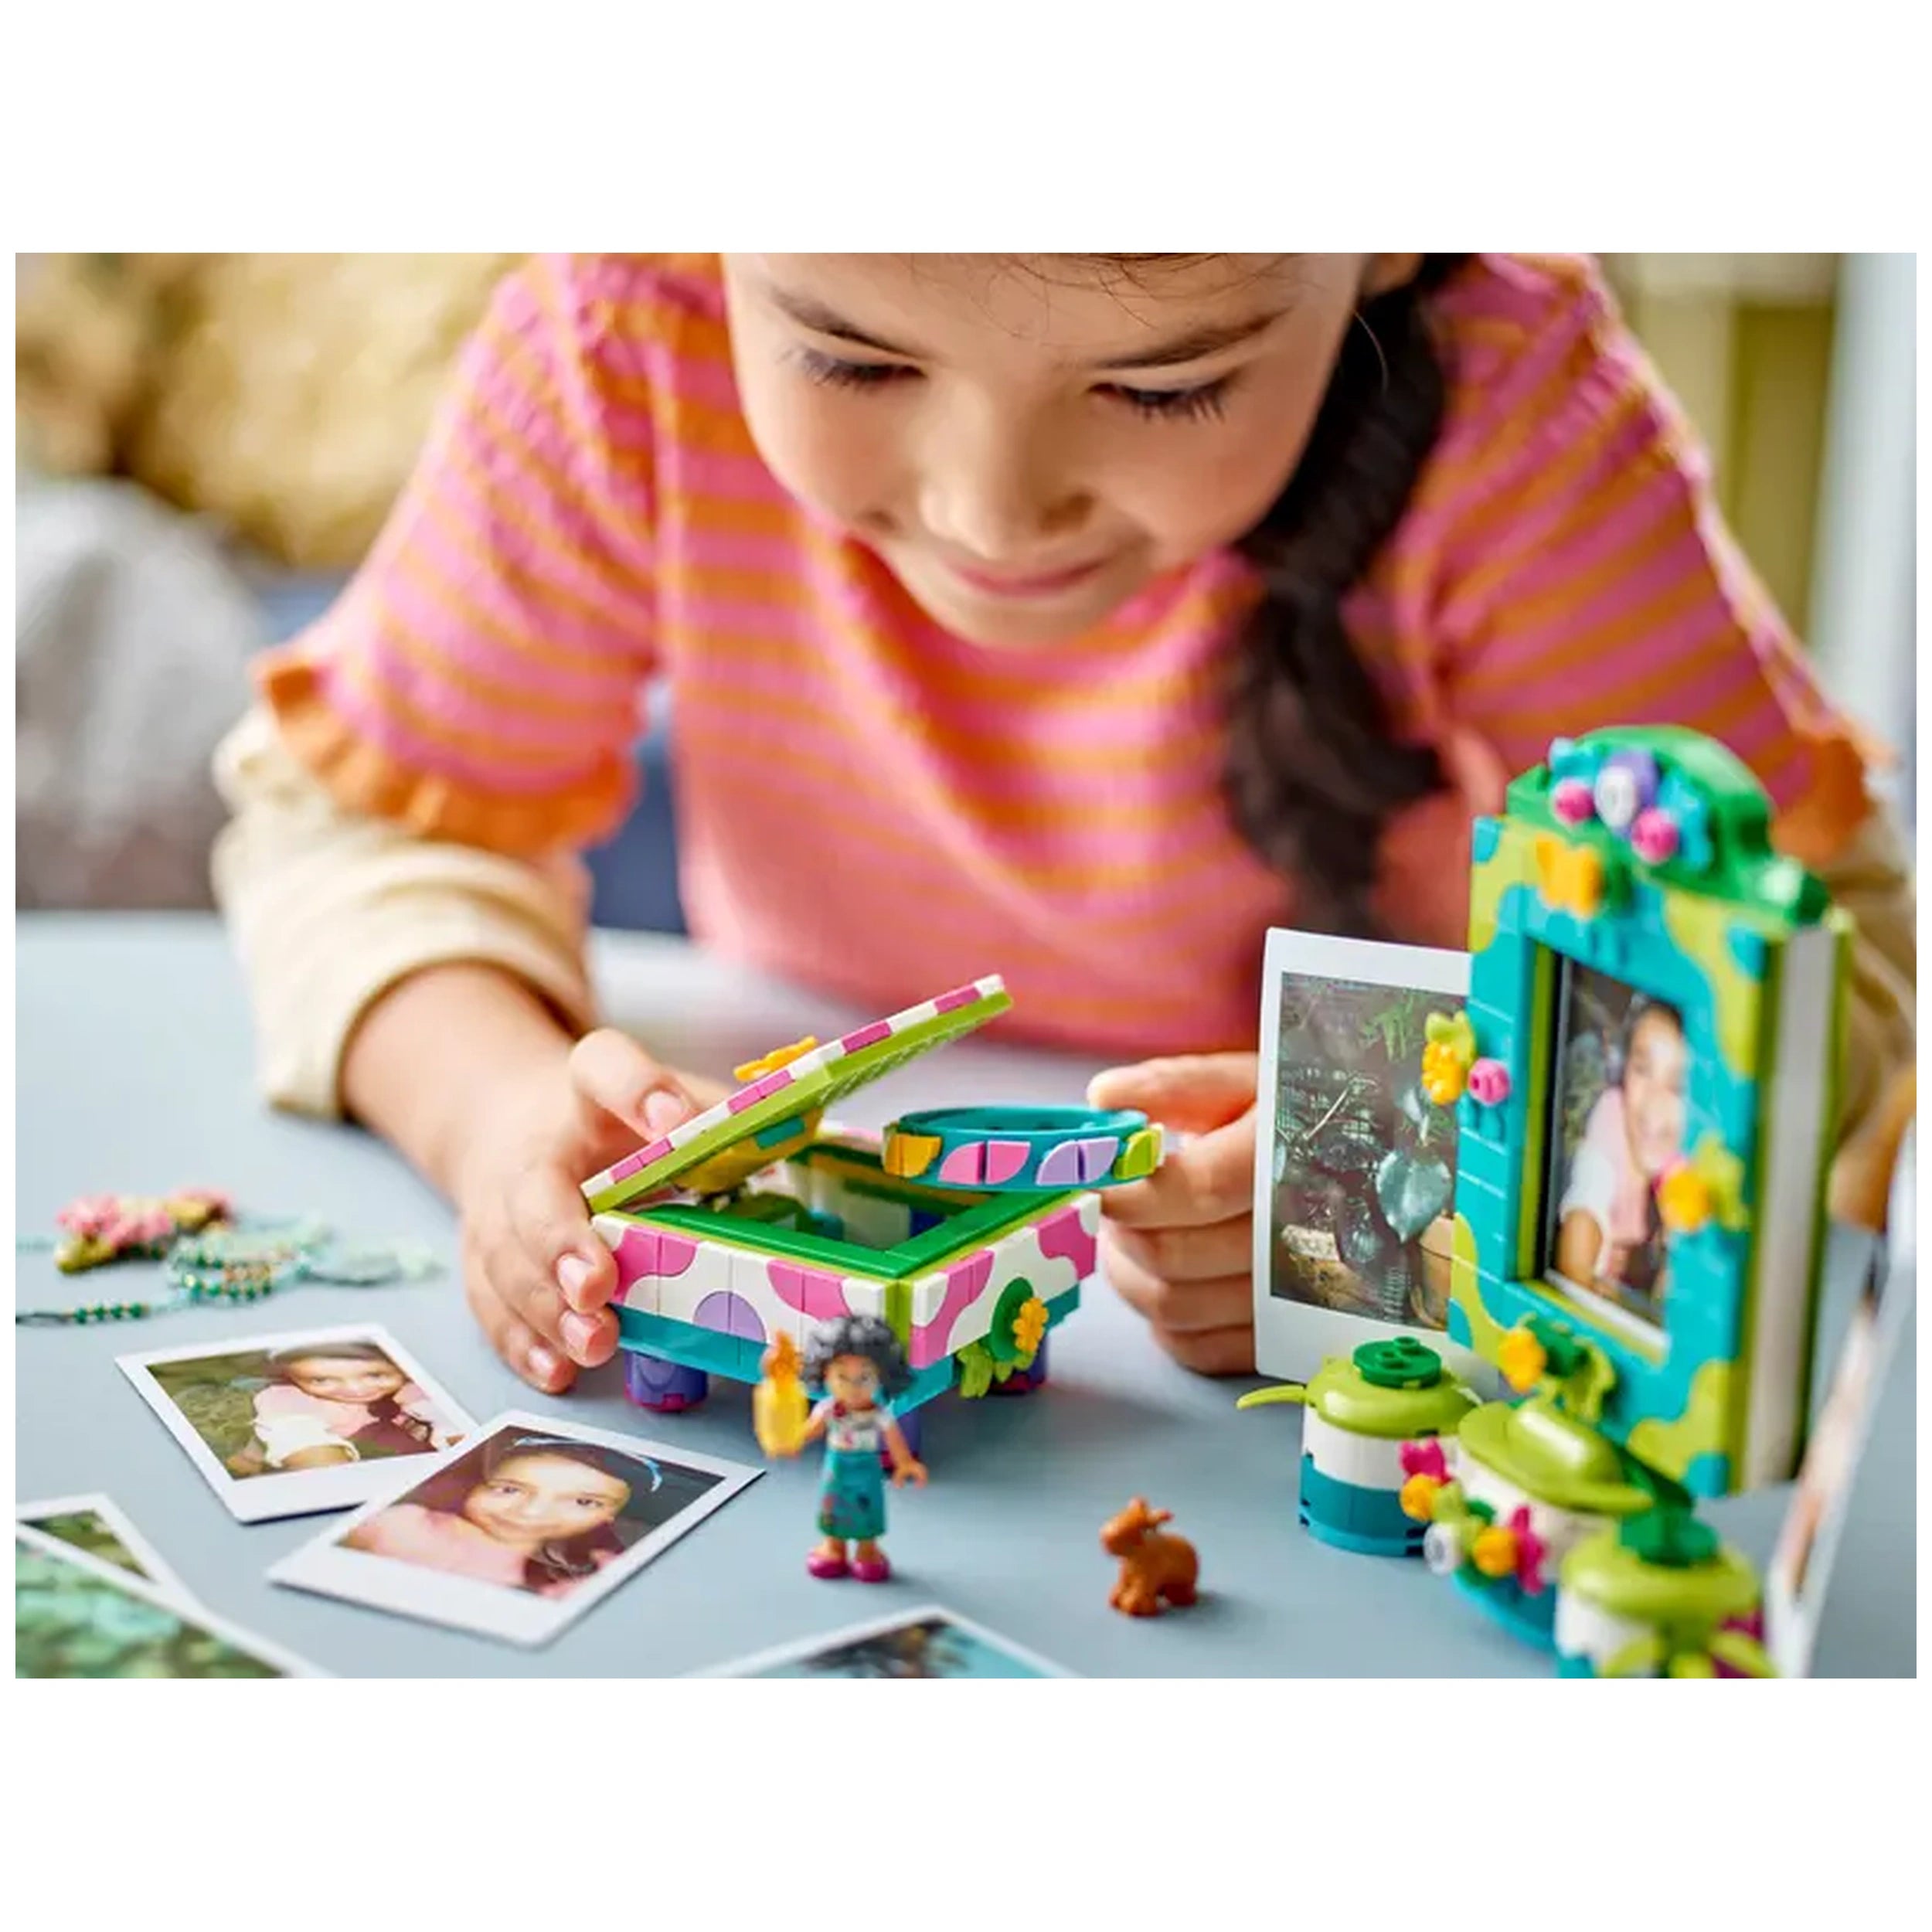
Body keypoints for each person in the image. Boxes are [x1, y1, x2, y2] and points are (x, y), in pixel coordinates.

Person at [210, 253, 1917, 1393]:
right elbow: (353, 834)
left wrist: (1412, 1194)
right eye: (849, 355)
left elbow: (1832, 991)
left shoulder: (1518, 420)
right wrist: (496, 1108)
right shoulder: (625, 332)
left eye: (1165, 387)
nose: (991, 512)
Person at [344, 1433, 639, 1595]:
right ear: (477, 1485)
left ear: (609, 1517)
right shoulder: (406, 1525)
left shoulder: (577, 1582)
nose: (531, 1511)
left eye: (583, 1502)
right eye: (509, 1489)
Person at [770, 1315, 927, 1583]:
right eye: (842, 1377)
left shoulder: (879, 1414)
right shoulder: (828, 1410)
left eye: (864, 1377)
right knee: (834, 1505)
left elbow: (894, 1438)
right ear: (825, 1374)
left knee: (868, 1506)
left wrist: (905, 1463)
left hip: (866, 1467)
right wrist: (791, 1441)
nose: (854, 1387)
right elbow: (811, 1430)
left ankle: (867, 1551)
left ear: (881, 1376)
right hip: (837, 1467)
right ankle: (834, 1547)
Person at [1553, 998, 1688, 1311]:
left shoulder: (1696, 1162)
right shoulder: (1614, 1116)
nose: (1654, 1099)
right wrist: (1583, 1276)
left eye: (1678, 1085)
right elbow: (1585, 1210)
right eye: (1642, 1070)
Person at [230, 1340, 463, 1476]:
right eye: (321, 1380)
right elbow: (302, 1442)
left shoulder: (415, 1386)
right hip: (297, 1440)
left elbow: (453, 1427)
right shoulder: (286, 1400)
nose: (355, 1390)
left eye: (375, 1375)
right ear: (290, 1376)